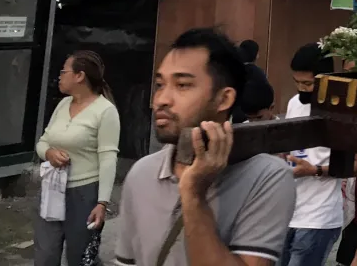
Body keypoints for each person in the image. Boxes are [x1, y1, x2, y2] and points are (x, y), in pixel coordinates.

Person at [114, 28, 296, 266]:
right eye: (160, 84)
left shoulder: (267, 177)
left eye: (182, 85)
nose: (161, 99)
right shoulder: (142, 173)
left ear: (224, 99)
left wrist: (193, 193)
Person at [283, 44, 357, 266]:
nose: (301, 89)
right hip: (286, 212)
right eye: (297, 82)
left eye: (308, 84)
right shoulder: (294, 103)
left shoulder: (345, 111)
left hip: (318, 217)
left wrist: (315, 170)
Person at [35, 51, 120, 266]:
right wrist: (49, 153)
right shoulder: (63, 105)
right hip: (53, 188)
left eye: (64, 71)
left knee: (79, 257)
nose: (60, 76)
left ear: (79, 76)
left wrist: (102, 202)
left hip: (84, 193)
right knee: (45, 255)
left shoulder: (105, 111)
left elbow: (108, 158)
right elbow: (42, 142)